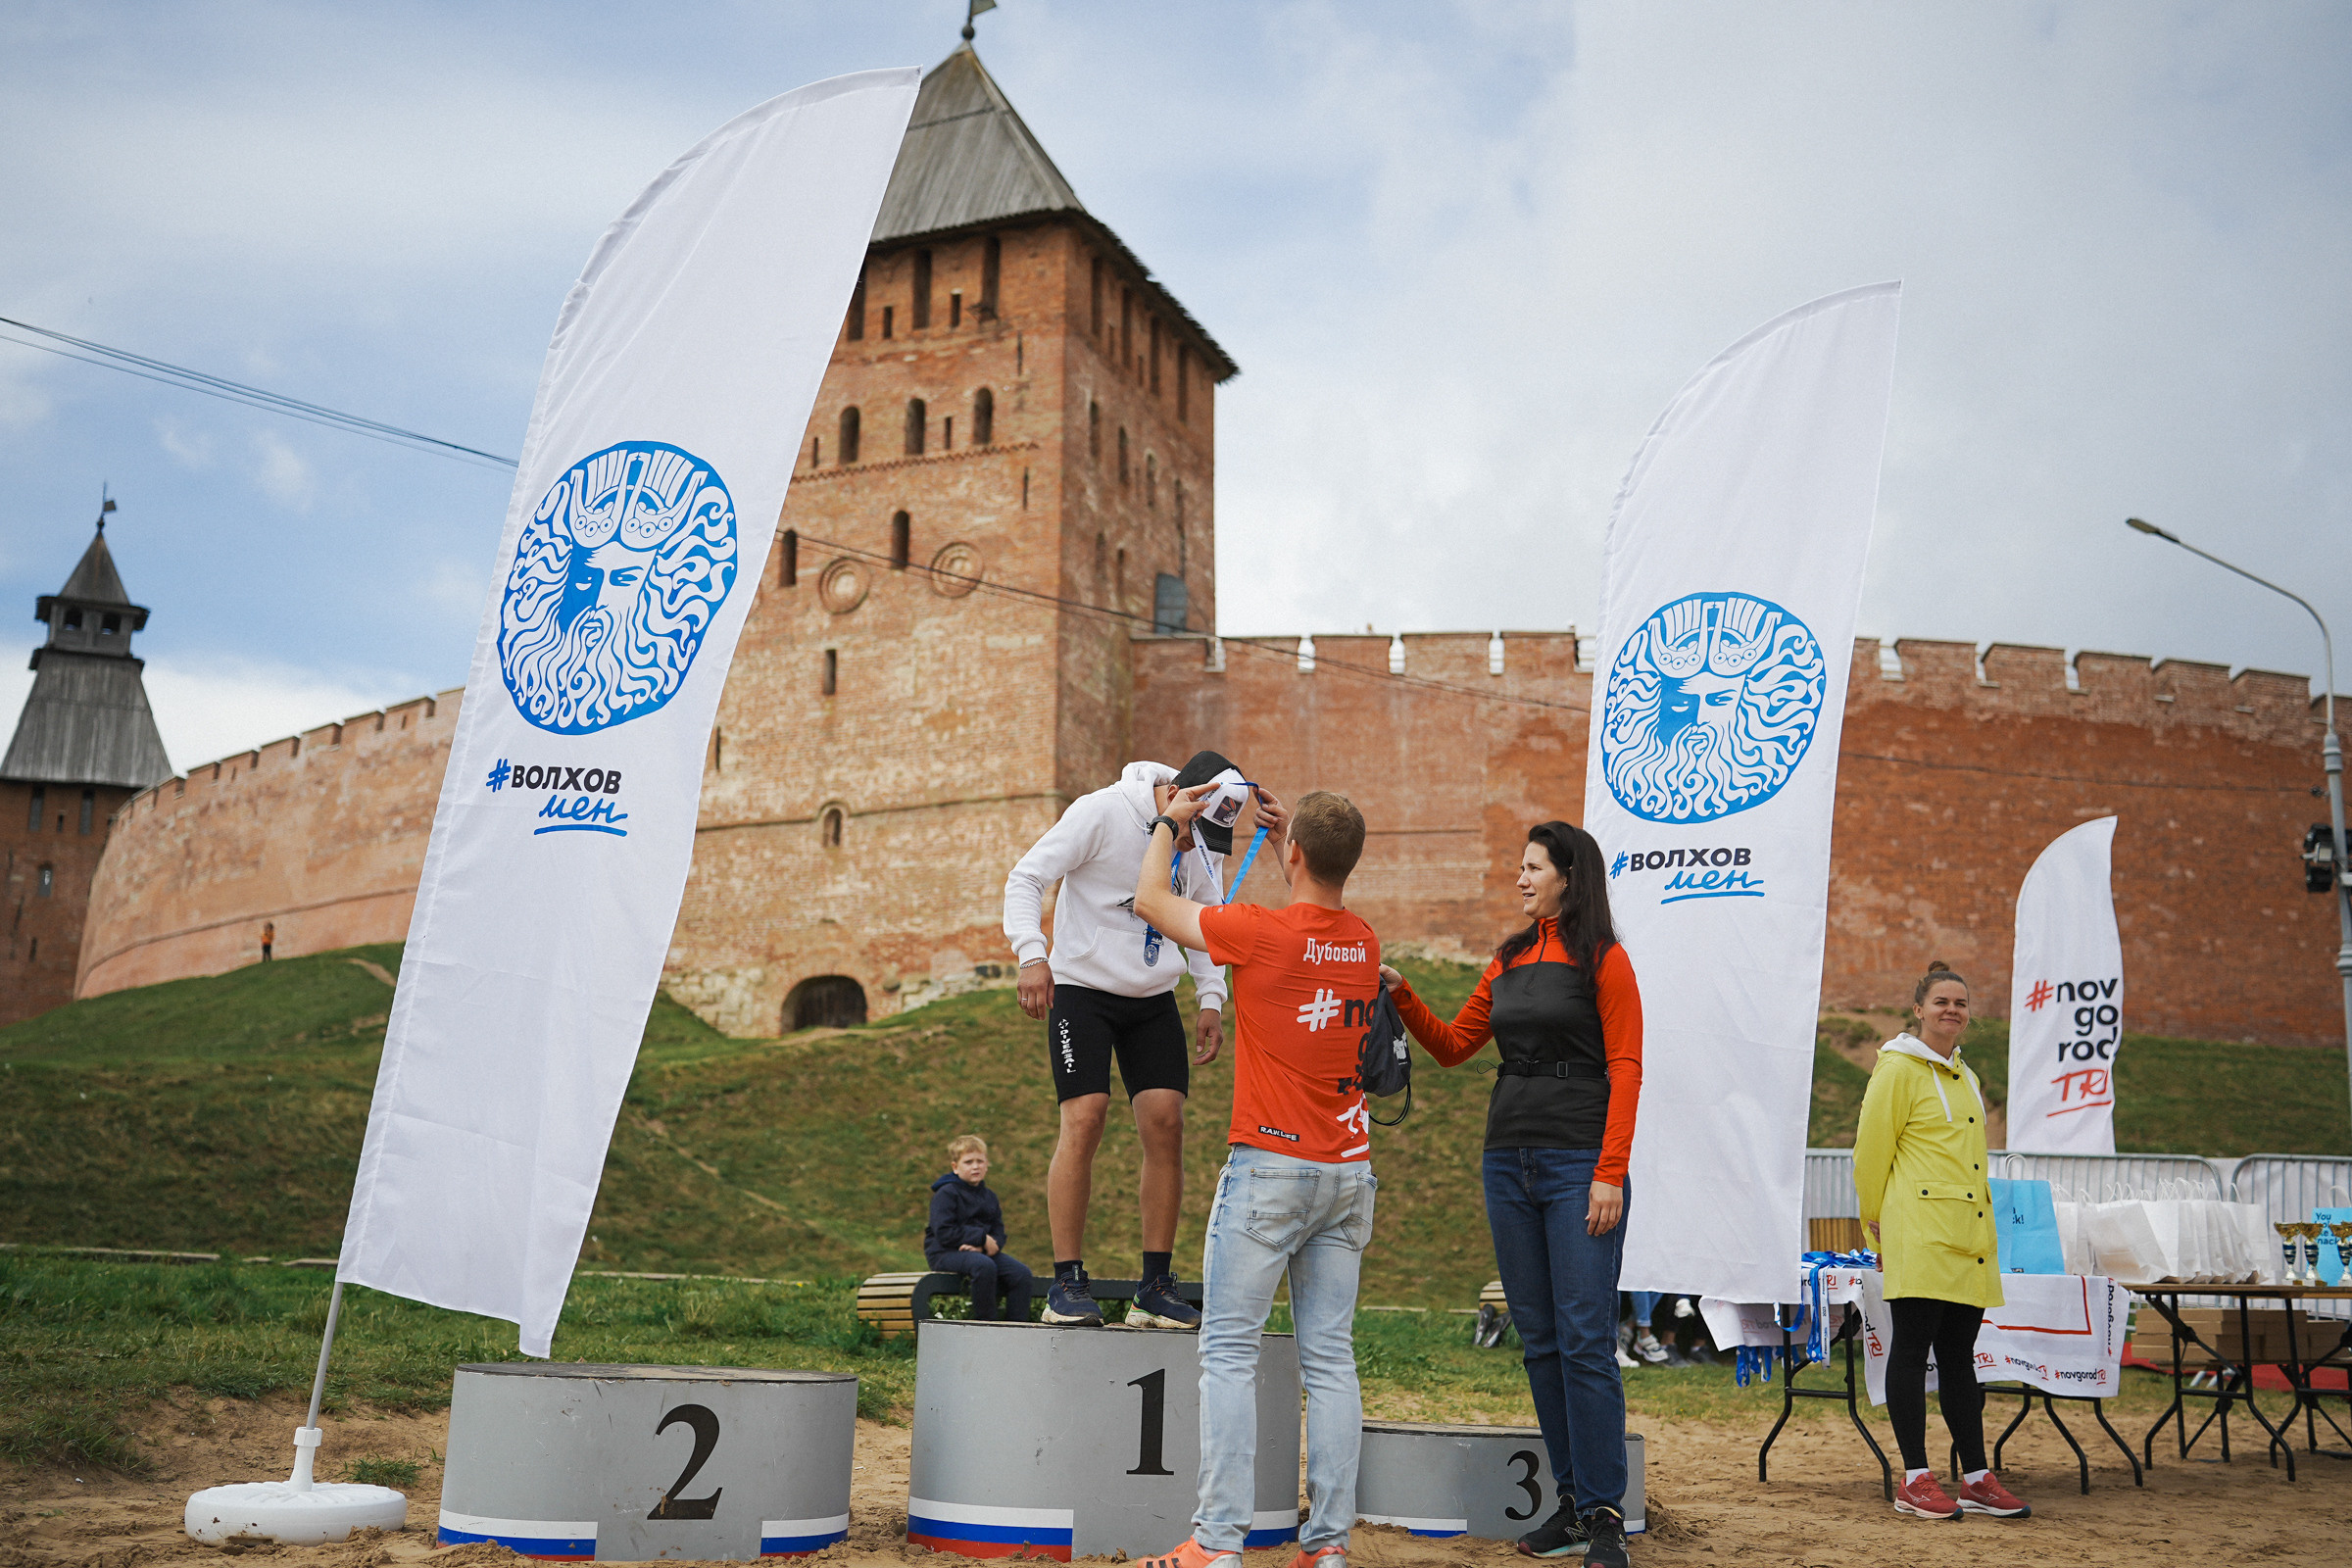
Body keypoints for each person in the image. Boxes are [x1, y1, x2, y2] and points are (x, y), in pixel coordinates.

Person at [1380, 821, 1640, 1566]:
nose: (1520, 878)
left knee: (1587, 1340)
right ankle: (1570, 1501)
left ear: (1568, 876)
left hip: (1578, 1165)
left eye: (1533, 867)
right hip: (1508, 1162)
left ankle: (1605, 1513)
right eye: (1520, 867)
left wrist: (1609, 1171)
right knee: (1543, 1342)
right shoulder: (1508, 959)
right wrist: (1402, 995)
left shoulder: (1605, 960)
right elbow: (1456, 1044)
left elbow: (1626, 1066)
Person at [1132, 787, 1378, 1568]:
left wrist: (1171, 822)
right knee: (1330, 1361)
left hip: (1270, 1171)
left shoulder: (1258, 933)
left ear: (1295, 854)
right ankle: (1329, 1546)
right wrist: (1288, 841)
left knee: (1229, 1355)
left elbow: (1148, 898)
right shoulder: (1364, 943)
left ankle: (1217, 1543)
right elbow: (1319, 913)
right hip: (1347, 1174)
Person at [1003, 751, 1253, 1329]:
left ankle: (1154, 1287)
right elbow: (1027, 876)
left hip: (1152, 996)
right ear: (1176, 799)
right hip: (1083, 988)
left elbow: (1203, 918)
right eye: (1194, 831)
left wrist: (1210, 998)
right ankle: (1065, 1283)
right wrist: (1031, 954)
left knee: (1167, 1122)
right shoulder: (1101, 813)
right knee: (1085, 1117)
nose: (1196, 847)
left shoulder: (1197, 844)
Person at [1853, 961, 2032, 1522]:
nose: (1951, 1010)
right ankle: (1915, 1479)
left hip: (1968, 1236)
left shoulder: (1968, 1077)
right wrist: (1873, 1222)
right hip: (1919, 1233)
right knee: (1910, 1349)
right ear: (1919, 1010)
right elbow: (1870, 1152)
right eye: (1940, 1002)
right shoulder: (1897, 1070)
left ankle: (1976, 1477)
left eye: (1959, 1003)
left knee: (1960, 1358)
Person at [923, 1135, 1035, 1322]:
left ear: (987, 1164)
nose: (975, 1166)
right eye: (968, 1162)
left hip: (981, 1252)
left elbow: (999, 1232)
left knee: (1021, 1274)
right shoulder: (946, 1194)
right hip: (944, 1252)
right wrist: (981, 1238)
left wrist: (984, 1247)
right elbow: (944, 1232)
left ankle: (1017, 1327)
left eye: (980, 1161)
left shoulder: (989, 1196)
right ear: (955, 1167)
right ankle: (986, 1325)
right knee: (983, 1266)